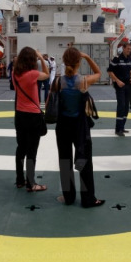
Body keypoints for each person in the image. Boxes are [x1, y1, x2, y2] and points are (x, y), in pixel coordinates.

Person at [54, 47, 105, 208]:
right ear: (79, 62)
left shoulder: (57, 82)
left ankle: (68, 197)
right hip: (80, 127)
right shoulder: (83, 81)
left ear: (64, 61)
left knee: (65, 160)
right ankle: (88, 199)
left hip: (62, 125)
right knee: (84, 160)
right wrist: (88, 57)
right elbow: (99, 73)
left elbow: (51, 103)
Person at [12, 47, 49, 192]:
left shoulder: (15, 73)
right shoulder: (32, 74)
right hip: (33, 115)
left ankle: (19, 180)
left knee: (21, 148)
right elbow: (47, 74)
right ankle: (31, 183)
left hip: (19, 115)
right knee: (32, 151)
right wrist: (42, 59)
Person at [107, 42, 131, 136]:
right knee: (121, 106)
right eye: (128, 48)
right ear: (123, 48)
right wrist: (117, 81)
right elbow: (110, 71)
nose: (129, 50)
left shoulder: (129, 58)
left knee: (126, 107)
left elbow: (130, 69)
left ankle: (122, 127)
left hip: (128, 85)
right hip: (120, 86)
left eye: (130, 49)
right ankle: (118, 129)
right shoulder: (117, 59)